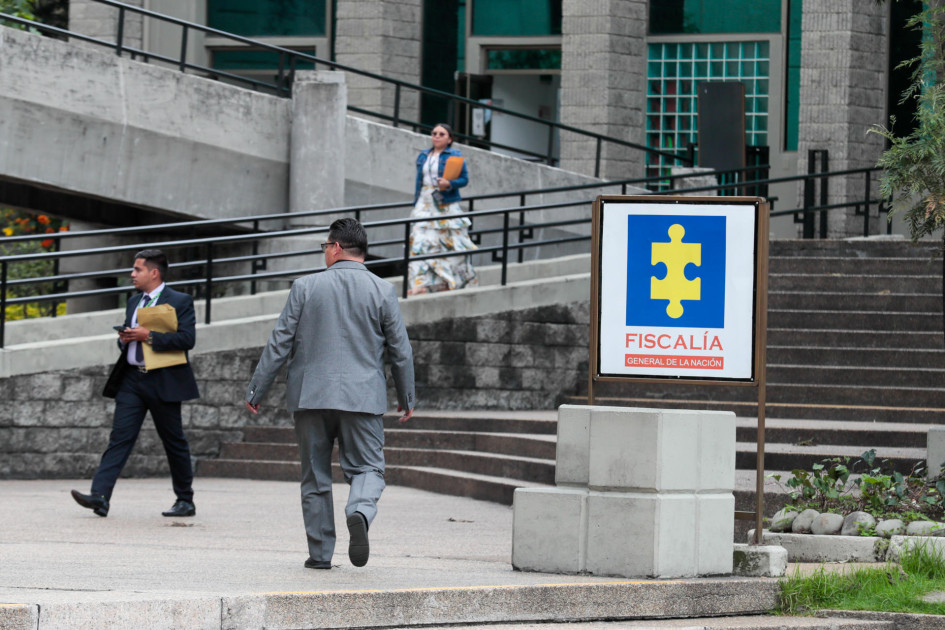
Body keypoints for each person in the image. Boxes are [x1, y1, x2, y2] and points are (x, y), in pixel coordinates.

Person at [244, 218, 415, 570]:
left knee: (315, 475)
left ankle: (320, 555)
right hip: (362, 396)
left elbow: (280, 342)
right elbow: (400, 349)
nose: (325, 252)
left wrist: (257, 388)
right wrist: (406, 395)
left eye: (325, 246)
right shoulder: (382, 290)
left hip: (311, 395)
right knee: (368, 466)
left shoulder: (305, 287)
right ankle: (359, 510)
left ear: (336, 247)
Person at [71, 249, 199, 518]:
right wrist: (126, 339)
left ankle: (185, 500)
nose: (132, 274)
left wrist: (149, 335)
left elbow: (187, 340)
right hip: (132, 379)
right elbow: (126, 339)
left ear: (154, 273)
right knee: (119, 438)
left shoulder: (180, 300)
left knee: (173, 441)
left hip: (163, 380)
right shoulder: (133, 302)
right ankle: (100, 497)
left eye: (137, 269)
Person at [407, 123, 478, 296]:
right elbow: (421, 181)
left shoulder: (455, 155)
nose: (437, 136)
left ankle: (447, 282)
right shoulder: (424, 155)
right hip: (424, 203)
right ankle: (420, 285)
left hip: (445, 204)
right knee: (419, 243)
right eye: (434, 133)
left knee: (448, 246)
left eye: (441, 134)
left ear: (449, 139)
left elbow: (464, 179)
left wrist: (449, 184)